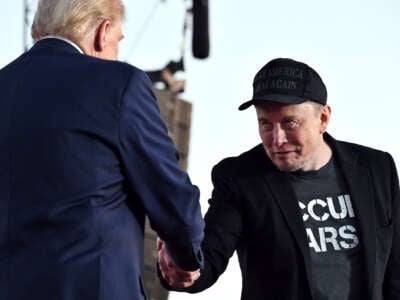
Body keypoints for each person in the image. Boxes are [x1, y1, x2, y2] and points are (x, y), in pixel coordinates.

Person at [0, 1, 204, 299]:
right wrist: (185, 255)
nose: (115, 53)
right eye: (118, 42)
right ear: (103, 32)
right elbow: (170, 193)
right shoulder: (119, 84)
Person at [158, 58, 400, 299]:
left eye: (289, 122)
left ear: (323, 118)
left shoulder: (375, 168)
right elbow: (209, 257)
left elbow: (395, 268)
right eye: (265, 123)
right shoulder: (241, 178)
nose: (276, 140)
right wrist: (184, 267)